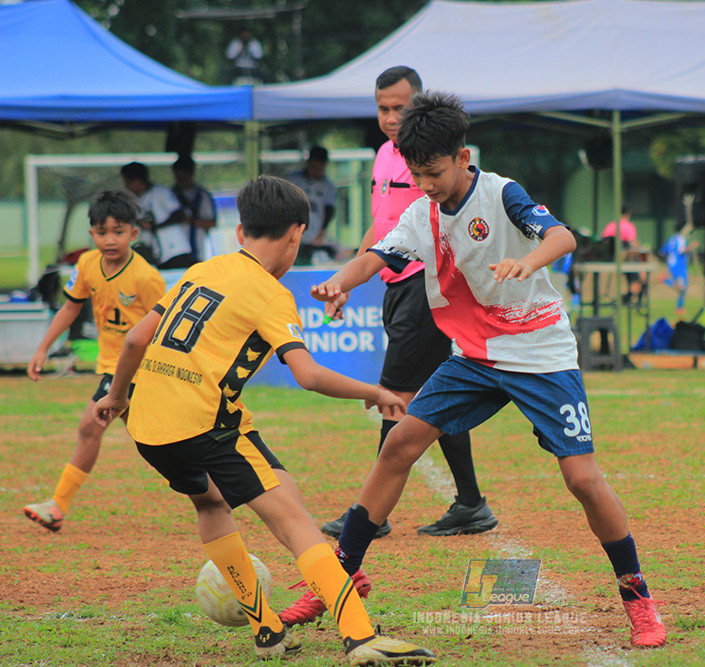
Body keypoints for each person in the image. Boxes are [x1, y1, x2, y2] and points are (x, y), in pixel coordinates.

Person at [311, 92, 667, 648]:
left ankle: (637, 594)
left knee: (582, 480)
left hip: (539, 352)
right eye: (416, 172)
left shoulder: (501, 194)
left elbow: (563, 236)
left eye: (433, 172)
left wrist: (527, 260)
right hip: (474, 356)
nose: (425, 183)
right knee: (400, 444)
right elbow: (379, 256)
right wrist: (341, 281)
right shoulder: (420, 213)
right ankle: (340, 574)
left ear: (462, 155)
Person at [91, 176, 436, 666]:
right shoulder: (271, 295)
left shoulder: (200, 270)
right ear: (297, 234)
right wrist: (377, 391)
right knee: (296, 523)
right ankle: (360, 637)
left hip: (148, 424)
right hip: (206, 425)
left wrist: (116, 397)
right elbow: (309, 375)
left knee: (212, 504)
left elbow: (133, 342)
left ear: (239, 231)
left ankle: (268, 629)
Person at [316, 66, 496, 543]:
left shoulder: (436, 162)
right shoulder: (381, 155)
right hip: (396, 284)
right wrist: (351, 279)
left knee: (394, 394)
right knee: (438, 395)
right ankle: (471, 503)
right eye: (383, 109)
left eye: (400, 107)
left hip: (426, 285)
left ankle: (370, 513)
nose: (391, 117)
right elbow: (383, 225)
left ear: (419, 105)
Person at [22, 190, 165, 533]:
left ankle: (57, 506)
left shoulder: (147, 278)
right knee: (161, 444)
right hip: (112, 368)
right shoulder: (87, 264)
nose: (109, 239)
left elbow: (167, 327)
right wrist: (43, 347)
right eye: (102, 232)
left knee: (91, 427)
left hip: (138, 370)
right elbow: (71, 306)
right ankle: (215, 493)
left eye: (118, 231)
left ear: (134, 233)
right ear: (91, 235)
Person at [120, 161, 196, 270]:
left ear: (136, 181)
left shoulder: (161, 192)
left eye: (127, 182)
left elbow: (179, 214)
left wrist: (156, 226)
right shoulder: (136, 199)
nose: (127, 186)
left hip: (175, 250)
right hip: (157, 252)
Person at [285, 146, 339, 264]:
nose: (315, 171)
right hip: (293, 232)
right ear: (308, 163)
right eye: (313, 167)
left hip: (315, 233)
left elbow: (329, 208)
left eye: (320, 168)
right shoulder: (293, 180)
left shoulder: (328, 186)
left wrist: (323, 230)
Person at [171, 156, 218, 262]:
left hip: (197, 250)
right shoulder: (170, 195)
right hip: (173, 252)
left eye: (183, 177)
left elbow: (212, 223)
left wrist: (189, 220)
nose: (181, 181)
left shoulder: (202, 196)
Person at [601, 205, 645, 304]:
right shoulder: (628, 226)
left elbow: (603, 241)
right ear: (628, 213)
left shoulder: (611, 225)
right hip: (626, 260)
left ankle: (626, 295)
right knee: (637, 276)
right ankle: (634, 296)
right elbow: (633, 243)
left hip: (611, 259)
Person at [659, 221, 697, 318]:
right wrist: (692, 246)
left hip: (672, 264)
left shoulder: (672, 239)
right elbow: (681, 251)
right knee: (682, 288)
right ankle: (665, 280)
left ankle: (679, 308)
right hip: (679, 265)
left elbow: (662, 251)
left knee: (682, 288)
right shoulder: (681, 239)